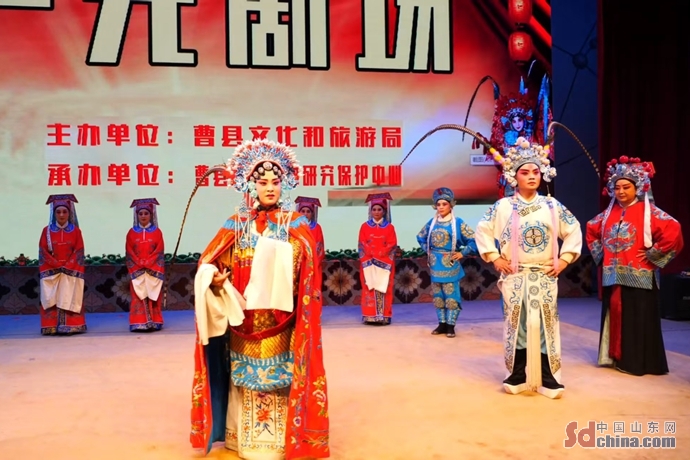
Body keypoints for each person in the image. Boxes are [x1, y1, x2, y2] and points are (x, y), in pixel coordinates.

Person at [189, 139, 329, 459]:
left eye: (275, 182)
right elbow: (211, 261)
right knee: (245, 379)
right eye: (262, 182)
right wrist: (215, 277)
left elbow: (310, 264)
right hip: (244, 320)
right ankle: (242, 439)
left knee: (280, 378)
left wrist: (291, 258)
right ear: (250, 185)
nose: (269, 188)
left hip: (282, 319)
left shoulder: (295, 224)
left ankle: (280, 441)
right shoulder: (236, 224)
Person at [474, 137, 582, 399]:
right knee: (516, 325)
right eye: (525, 172)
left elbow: (573, 229)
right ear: (515, 176)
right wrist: (494, 257)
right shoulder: (503, 206)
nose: (532, 176)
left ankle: (549, 376)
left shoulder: (551, 205)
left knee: (546, 324)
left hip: (544, 274)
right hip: (516, 274)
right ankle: (516, 374)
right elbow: (483, 230)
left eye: (536, 171)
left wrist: (564, 259)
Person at [586, 156, 683, 376]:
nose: (621, 191)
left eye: (626, 187)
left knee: (639, 320)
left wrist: (653, 254)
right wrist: (602, 255)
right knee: (616, 316)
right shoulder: (608, 214)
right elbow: (591, 228)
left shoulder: (648, 212)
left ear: (637, 188)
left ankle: (639, 363)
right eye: (617, 187)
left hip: (641, 275)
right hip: (613, 275)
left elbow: (674, 230)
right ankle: (615, 358)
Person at [416, 188, 478, 338]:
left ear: (451, 205)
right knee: (438, 296)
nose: (441, 207)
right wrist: (428, 251)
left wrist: (462, 253)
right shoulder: (432, 223)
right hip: (435, 265)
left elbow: (474, 239)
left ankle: (451, 325)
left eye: (444, 204)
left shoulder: (457, 223)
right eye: (438, 204)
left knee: (451, 296)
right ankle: (442, 323)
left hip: (450, 264)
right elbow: (420, 237)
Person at [39, 194, 87, 335]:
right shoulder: (47, 231)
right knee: (52, 297)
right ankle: (51, 326)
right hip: (53, 270)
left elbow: (79, 251)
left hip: (70, 270)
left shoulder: (76, 231)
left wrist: (67, 266)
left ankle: (72, 325)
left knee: (70, 296)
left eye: (64, 211)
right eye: (58, 212)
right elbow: (43, 251)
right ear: (54, 213)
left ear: (69, 213)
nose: (61, 215)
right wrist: (55, 264)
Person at [358, 193, 398, 325]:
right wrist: (371, 255)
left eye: (379, 209)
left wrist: (380, 254)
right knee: (369, 288)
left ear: (384, 211)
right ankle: (369, 315)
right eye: (374, 209)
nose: (376, 212)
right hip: (368, 264)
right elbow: (362, 244)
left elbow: (392, 245)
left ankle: (384, 316)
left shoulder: (390, 227)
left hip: (385, 263)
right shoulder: (364, 226)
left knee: (384, 288)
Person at [126, 198, 165, 332]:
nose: (143, 216)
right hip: (137, 270)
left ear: (151, 215)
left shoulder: (157, 232)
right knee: (138, 296)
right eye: (140, 213)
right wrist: (138, 263)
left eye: (146, 213)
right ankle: (138, 322)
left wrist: (148, 262)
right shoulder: (131, 233)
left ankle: (155, 321)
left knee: (153, 295)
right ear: (137, 215)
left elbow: (159, 251)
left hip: (152, 269)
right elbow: (129, 252)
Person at [295, 196, 326, 266]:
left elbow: (319, 248)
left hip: (312, 263)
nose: (305, 214)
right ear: (299, 212)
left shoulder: (316, 227)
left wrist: (311, 263)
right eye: (303, 211)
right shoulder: (294, 227)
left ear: (312, 214)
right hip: (298, 262)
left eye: (308, 211)